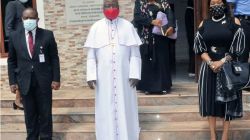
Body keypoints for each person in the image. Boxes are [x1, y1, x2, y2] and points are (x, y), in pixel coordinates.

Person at [84, 0, 142, 140]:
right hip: (104, 78)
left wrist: (135, 73)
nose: (111, 8)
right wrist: (91, 75)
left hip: (125, 77)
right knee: (105, 108)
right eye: (107, 6)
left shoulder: (128, 26)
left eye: (113, 5)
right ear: (102, 8)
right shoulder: (96, 27)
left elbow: (135, 53)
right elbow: (91, 55)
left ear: (118, 8)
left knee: (126, 107)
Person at [194, 0, 245, 140]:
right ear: (209, 6)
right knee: (209, 101)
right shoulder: (204, 23)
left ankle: (225, 135)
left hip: (228, 68)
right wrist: (211, 63)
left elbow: (238, 48)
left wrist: (221, 62)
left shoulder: (233, 22)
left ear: (223, 4)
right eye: (212, 3)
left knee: (228, 103)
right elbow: (199, 47)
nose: (215, 5)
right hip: (209, 68)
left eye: (218, 2)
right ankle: (212, 135)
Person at [8, 8, 60, 140]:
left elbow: (54, 58)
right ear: (22, 19)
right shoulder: (14, 36)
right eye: (26, 18)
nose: (28, 20)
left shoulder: (47, 35)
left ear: (37, 20)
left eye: (32, 18)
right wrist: (12, 81)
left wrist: (56, 78)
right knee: (29, 115)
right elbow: (11, 60)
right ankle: (31, 137)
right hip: (25, 81)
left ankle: (46, 137)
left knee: (45, 114)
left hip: (44, 81)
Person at [133, 0, 176, 94]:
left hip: (161, 36)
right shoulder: (140, 3)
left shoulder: (163, 2)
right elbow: (137, 18)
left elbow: (170, 16)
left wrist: (171, 26)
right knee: (147, 60)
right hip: (146, 38)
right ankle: (147, 87)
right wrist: (152, 21)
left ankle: (163, 86)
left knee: (162, 60)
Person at [5, 0, 29, 110]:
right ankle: (18, 100)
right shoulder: (12, 4)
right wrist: (14, 43)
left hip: (26, 43)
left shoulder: (25, 6)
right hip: (17, 44)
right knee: (20, 70)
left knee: (25, 69)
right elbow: (8, 26)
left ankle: (19, 99)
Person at [185, 0, 195, 77]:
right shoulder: (190, 11)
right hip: (192, 35)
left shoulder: (188, 11)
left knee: (192, 51)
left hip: (190, 35)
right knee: (193, 51)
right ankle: (192, 70)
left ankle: (192, 70)